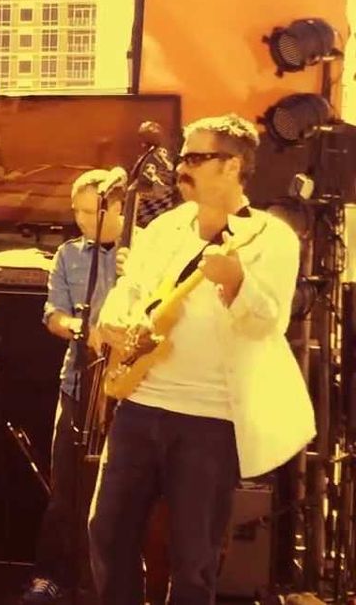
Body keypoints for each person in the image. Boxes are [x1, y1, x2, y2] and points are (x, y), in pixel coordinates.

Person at [90, 114, 315, 604]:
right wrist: (114, 319)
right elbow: (131, 289)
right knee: (106, 533)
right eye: (182, 157)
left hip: (210, 420)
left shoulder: (270, 238)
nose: (181, 168)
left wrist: (237, 282)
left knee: (193, 560)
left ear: (232, 166)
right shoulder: (165, 227)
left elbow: (269, 325)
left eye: (195, 158)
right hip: (139, 405)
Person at [21, 170, 123, 603]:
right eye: (76, 211)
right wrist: (80, 328)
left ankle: (110, 583)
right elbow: (53, 314)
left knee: (120, 494)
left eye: (90, 211)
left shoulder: (143, 251)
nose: (81, 219)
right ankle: (51, 576)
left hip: (129, 389)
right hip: (78, 383)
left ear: (117, 208)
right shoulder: (69, 254)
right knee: (66, 488)